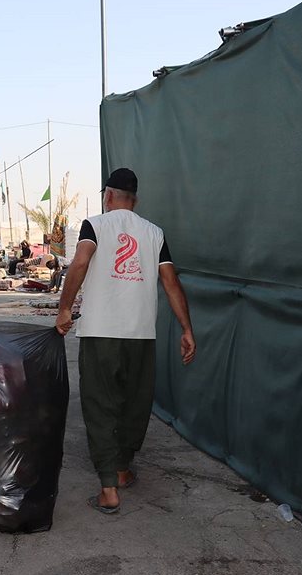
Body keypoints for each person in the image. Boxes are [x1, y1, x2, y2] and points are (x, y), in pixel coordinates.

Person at [55, 168, 196, 515]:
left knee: (99, 404)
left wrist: (65, 308)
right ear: (135, 200)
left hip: (100, 332)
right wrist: (187, 329)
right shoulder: (154, 233)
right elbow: (170, 282)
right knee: (135, 402)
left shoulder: (94, 225)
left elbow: (81, 262)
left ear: (108, 196)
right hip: (140, 333)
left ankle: (108, 488)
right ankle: (121, 468)